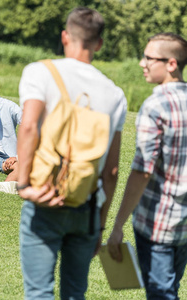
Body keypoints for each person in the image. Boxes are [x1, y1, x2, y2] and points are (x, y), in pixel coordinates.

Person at [17, 7, 127, 299]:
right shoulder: (114, 93)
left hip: (45, 197)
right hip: (87, 207)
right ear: (99, 44)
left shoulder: (40, 71)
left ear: (65, 36)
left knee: (39, 292)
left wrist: (24, 184)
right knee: (75, 293)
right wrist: (100, 226)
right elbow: (112, 171)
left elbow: (28, 127)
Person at [107, 33, 187, 300]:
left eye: (149, 58)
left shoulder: (155, 106)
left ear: (171, 64)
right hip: (184, 225)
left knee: (161, 294)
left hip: (158, 224)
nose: (142, 63)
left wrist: (118, 226)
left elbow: (142, 171)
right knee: (170, 289)